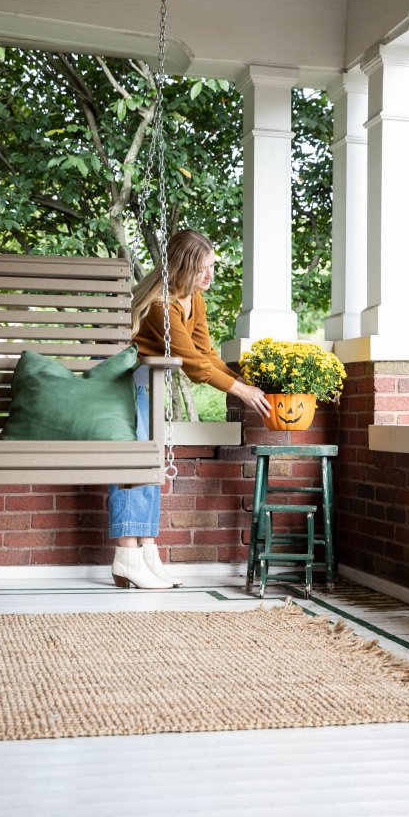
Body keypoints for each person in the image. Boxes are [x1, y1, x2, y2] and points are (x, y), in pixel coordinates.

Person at [110, 228, 271, 590]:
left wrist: (243, 381)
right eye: (202, 269)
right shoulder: (159, 306)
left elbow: (207, 354)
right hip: (118, 382)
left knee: (149, 462)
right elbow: (194, 366)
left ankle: (147, 551)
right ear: (183, 267)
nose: (210, 276)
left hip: (145, 383)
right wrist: (241, 391)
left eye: (212, 267)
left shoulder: (194, 300)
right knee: (129, 461)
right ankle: (125, 554)